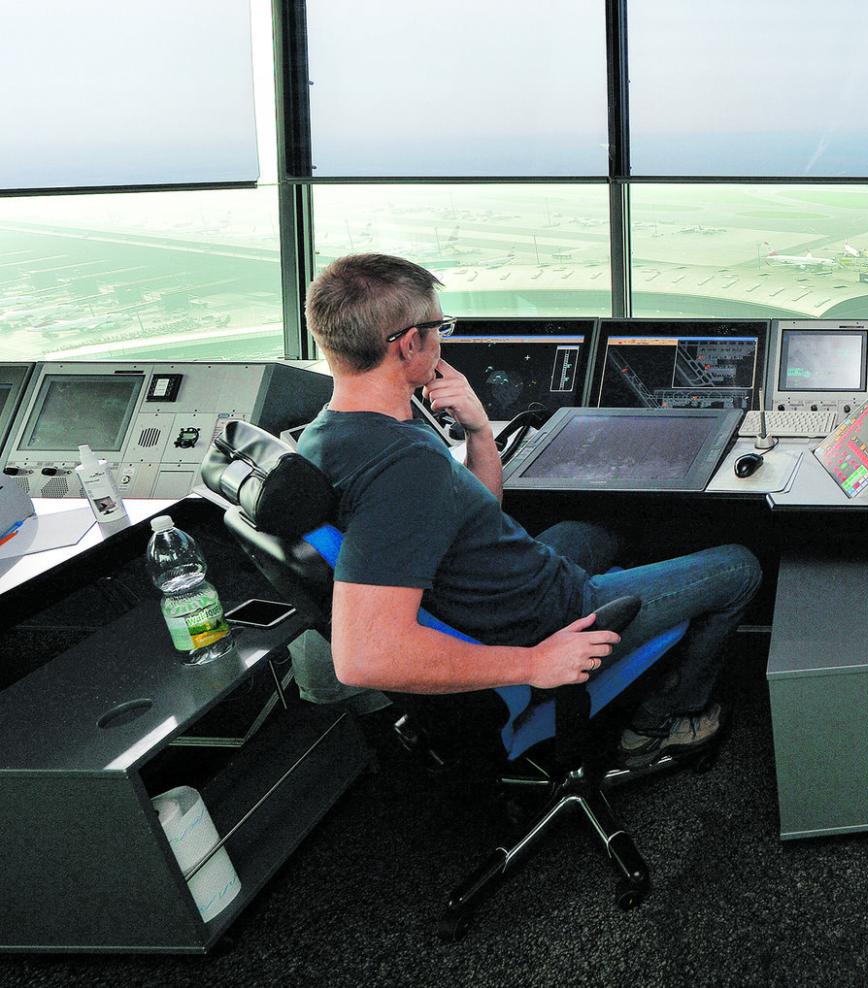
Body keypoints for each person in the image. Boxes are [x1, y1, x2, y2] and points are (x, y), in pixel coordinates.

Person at [296, 253, 762, 767]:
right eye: (438, 328)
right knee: (740, 567)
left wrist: (478, 429)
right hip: (541, 618)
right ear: (409, 344)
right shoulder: (404, 468)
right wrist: (535, 663)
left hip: (501, 587)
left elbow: (476, 509)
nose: (442, 340)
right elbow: (365, 657)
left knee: (606, 526)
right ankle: (661, 723)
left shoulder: (330, 432)